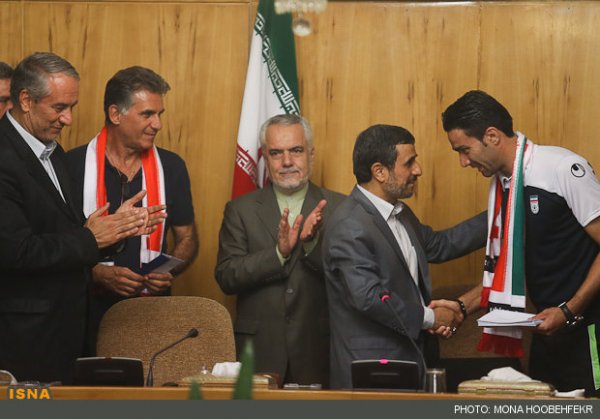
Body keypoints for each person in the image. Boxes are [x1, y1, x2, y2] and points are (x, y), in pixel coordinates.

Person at [0, 52, 161, 384]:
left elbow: (67, 232)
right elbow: (17, 251)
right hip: (24, 341)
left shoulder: (53, 152)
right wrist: (91, 238)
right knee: (27, 407)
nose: (68, 119)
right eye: (59, 107)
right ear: (26, 101)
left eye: (72, 107)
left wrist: (115, 229)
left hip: (66, 331)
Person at [440, 90, 600, 397]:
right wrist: (461, 307)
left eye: (464, 150)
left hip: (588, 329)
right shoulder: (503, 187)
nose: (463, 162)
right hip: (546, 332)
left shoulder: (562, 167)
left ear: (492, 136)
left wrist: (569, 310)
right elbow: (510, 271)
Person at [322, 124, 487, 389]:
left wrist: (502, 213)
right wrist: (432, 318)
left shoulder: (400, 212)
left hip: (411, 361)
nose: (418, 170)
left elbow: (441, 245)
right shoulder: (349, 225)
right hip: (371, 372)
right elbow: (368, 297)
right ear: (379, 171)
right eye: (409, 163)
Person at [67, 66, 198, 352]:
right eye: (147, 114)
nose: (157, 124)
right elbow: (56, 246)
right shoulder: (71, 166)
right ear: (115, 114)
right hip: (86, 315)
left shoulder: (172, 167)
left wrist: (168, 270)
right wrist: (95, 273)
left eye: (159, 114)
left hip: (152, 316)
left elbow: (188, 238)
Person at [215, 114, 345, 387]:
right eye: (276, 153)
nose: (287, 161)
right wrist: (278, 254)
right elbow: (227, 275)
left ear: (311, 154)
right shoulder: (240, 210)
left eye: (296, 150)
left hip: (319, 350)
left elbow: (350, 277)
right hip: (260, 350)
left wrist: (310, 245)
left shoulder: (340, 207)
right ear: (265, 157)